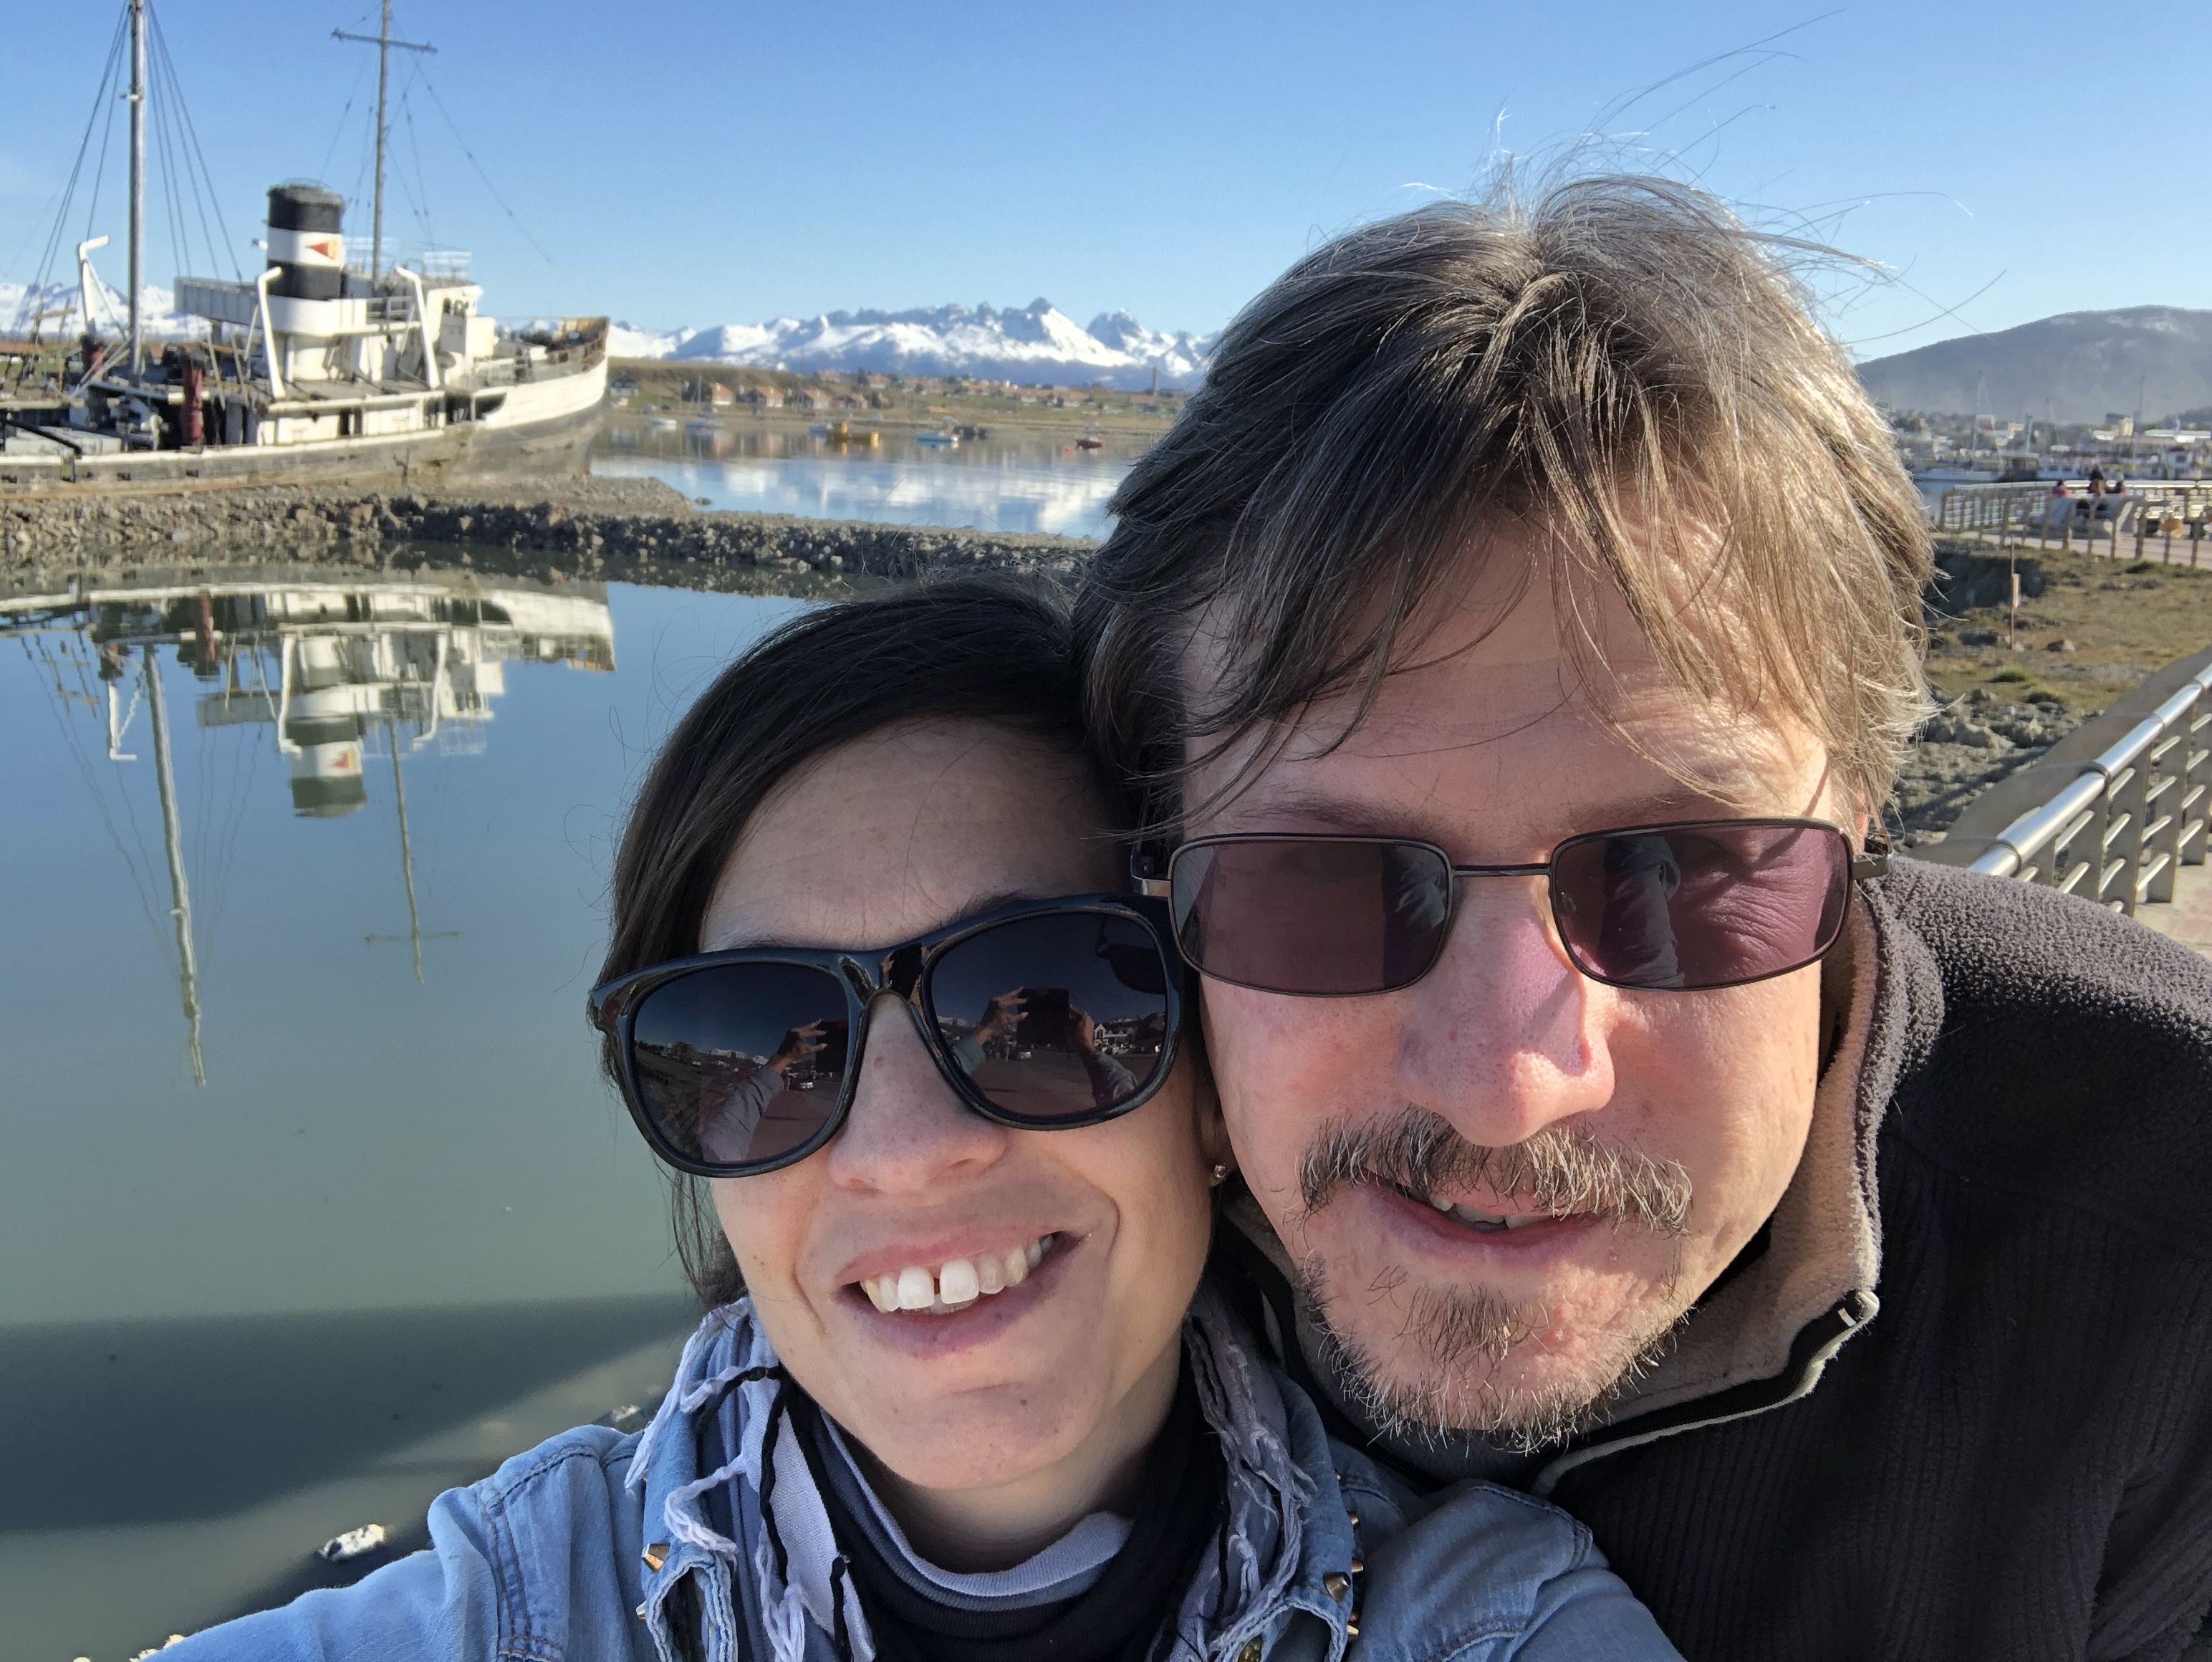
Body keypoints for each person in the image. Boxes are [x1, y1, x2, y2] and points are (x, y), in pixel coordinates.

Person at [1074, 177, 2212, 1660]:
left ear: (1866, 818)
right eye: (1325, 885)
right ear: (1160, 864)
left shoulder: (2168, 1238)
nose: (1505, 1085)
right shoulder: (1013, 1166)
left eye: (1672, 876)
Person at [165, 580, 1680, 1661]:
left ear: (1217, 1085)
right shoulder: (515, 1611)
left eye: (1046, 1005)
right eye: (756, 1045)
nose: (897, 1147)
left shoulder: (1485, 1626)